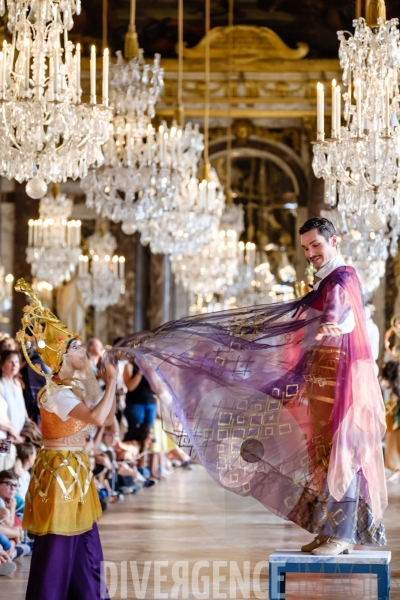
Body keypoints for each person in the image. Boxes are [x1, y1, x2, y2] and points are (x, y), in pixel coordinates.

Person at [109, 217, 387, 556]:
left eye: (316, 245)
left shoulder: (341, 278)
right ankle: (329, 528)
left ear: (334, 242)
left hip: (335, 383)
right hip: (318, 380)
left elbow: (342, 311)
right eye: (306, 248)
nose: (311, 252)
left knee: (338, 452)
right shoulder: (325, 280)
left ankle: (343, 532)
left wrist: (331, 322)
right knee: (317, 454)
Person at [14, 279, 118, 600]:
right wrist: (112, 382)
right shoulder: (57, 394)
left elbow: (107, 419)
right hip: (59, 475)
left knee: (85, 545)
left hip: (74, 470)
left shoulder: (71, 390)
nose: (81, 351)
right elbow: (98, 418)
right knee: (57, 551)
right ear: (59, 358)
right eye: (74, 348)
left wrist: (104, 384)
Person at [123, 358, 157, 440]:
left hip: (150, 403)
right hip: (135, 403)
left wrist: (151, 374)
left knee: (147, 432)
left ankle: (143, 450)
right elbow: (130, 387)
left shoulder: (150, 367)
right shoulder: (129, 366)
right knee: (135, 431)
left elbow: (154, 389)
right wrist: (140, 372)